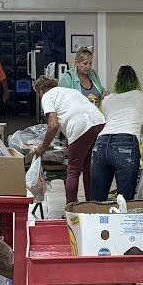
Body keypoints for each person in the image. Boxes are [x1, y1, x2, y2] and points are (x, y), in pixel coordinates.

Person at [93, 66, 143, 200]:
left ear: (117, 81)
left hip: (101, 144)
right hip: (126, 143)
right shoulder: (141, 96)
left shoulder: (108, 100)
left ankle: (97, 219)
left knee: (97, 200)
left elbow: (103, 118)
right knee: (124, 200)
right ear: (135, 80)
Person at [32, 75, 106, 205]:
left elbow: (53, 125)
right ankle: (92, 206)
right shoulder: (72, 91)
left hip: (79, 128)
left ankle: (71, 208)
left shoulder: (47, 96)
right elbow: (76, 111)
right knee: (88, 168)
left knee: (73, 170)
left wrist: (42, 148)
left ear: (40, 91)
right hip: (99, 123)